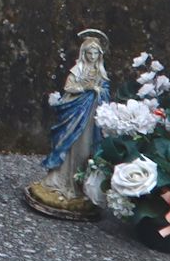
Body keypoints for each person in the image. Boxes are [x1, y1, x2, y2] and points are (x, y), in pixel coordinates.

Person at [24, 28, 109, 220]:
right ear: (83, 53)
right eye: (89, 53)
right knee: (68, 146)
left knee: (85, 152)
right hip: (75, 114)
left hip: (89, 120)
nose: (92, 56)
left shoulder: (101, 75)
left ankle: (78, 187)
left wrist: (99, 92)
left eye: (95, 53)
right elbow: (69, 87)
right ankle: (61, 181)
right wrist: (86, 88)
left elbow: (105, 93)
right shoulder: (77, 71)